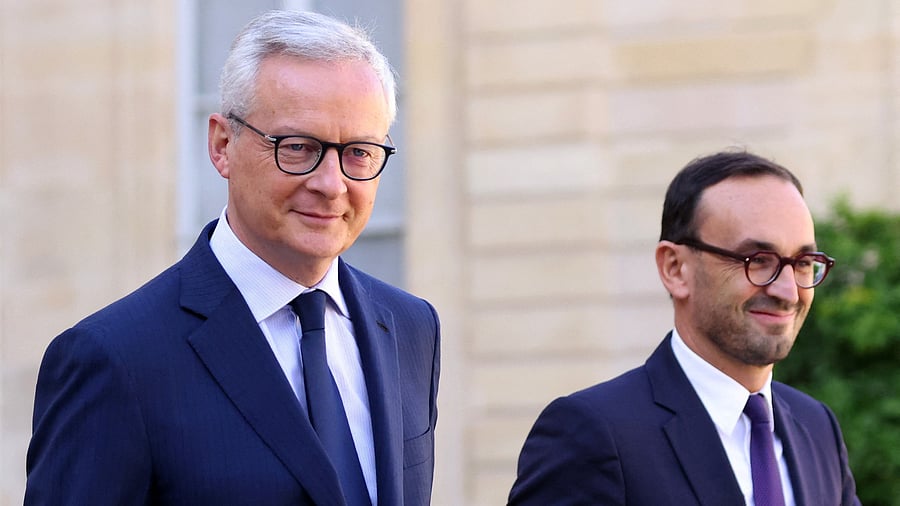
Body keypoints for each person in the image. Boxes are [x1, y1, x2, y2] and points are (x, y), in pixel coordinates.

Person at [26, 10, 439, 506]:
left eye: (358, 153)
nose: (332, 185)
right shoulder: (115, 359)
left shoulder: (412, 328)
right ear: (222, 145)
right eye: (298, 147)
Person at [508, 150, 859, 505]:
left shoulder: (816, 427)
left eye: (802, 263)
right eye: (758, 260)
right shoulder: (594, 433)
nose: (787, 291)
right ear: (675, 268)